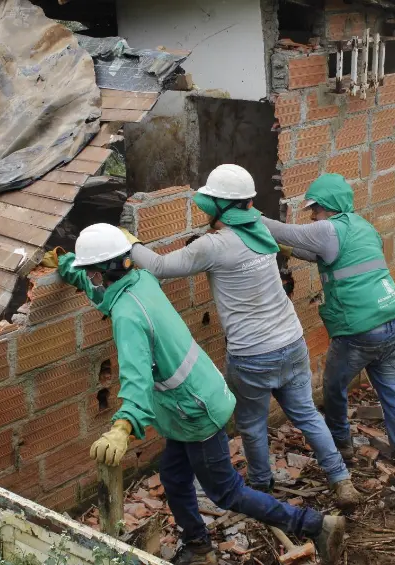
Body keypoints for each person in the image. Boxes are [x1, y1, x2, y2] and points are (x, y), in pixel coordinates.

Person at [56, 223, 346, 565]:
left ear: (102, 271)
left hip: (194, 410)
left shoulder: (128, 316)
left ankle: (315, 525)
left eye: (89, 272)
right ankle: (199, 546)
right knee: (175, 477)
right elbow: (106, 296)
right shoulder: (141, 279)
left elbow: (136, 379)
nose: (89, 278)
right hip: (193, 399)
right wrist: (69, 268)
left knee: (227, 492)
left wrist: (123, 426)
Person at [123, 164, 361, 508]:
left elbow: (160, 267)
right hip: (292, 342)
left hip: (253, 354)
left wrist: (129, 244)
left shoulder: (214, 245)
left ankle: (262, 489)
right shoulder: (261, 230)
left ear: (217, 205)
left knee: (252, 425)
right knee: (307, 414)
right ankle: (341, 479)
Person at [260, 173, 395, 490]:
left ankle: (342, 444)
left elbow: (287, 231)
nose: (312, 215)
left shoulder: (327, 228)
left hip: (359, 330)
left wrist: (244, 213)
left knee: (333, 388)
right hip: (391, 323)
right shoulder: (363, 227)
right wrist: (282, 248)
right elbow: (320, 254)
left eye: (315, 209)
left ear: (329, 207)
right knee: (394, 395)